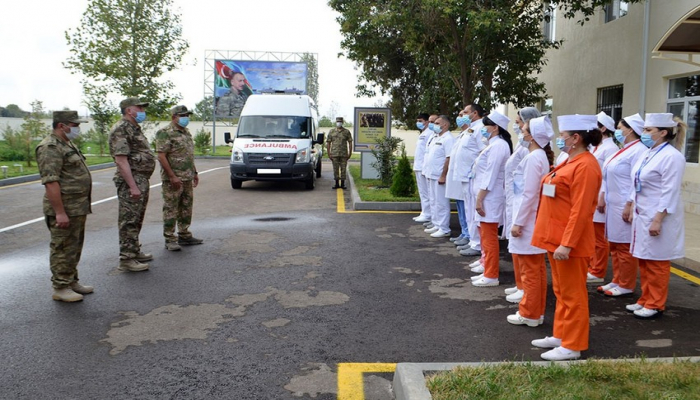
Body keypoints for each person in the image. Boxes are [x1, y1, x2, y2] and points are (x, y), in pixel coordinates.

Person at [531, 114, 602, 361]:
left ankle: (573, 344)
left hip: (569, 242)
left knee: (573, 295)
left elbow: (582, 210)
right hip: (556, 237)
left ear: (575, 138)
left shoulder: (586, 165)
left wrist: (567, 243)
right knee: (561, 292)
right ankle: (561, 335)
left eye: (563, 136)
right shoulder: (570, 160)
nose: (559, 140)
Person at [623, 113, 687, 319]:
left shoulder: (672, 157)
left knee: (657, 261)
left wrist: (658, 219)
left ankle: (656, 303)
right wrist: (631, 205)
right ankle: (645, 298)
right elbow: (637, 181)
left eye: (648, 130)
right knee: (644, 258)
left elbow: (670, 191)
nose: (644, 134)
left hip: (659, 215)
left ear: (663, 133)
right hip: (643, 213)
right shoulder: (649, 152)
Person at [36, 111, 93, 302]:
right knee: (61, 247)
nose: (77, 128)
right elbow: (51, 182)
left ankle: (71, 281)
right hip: (65, 208)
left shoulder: (66, 143)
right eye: (74, 125)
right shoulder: (50, 147)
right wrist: (60, 212)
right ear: (62, 125)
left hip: (77, 207)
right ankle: (60, 287)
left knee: (73, 247)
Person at [506, 116, 554, 326]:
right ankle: (535, 311)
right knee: (535, 270)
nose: (521, 133)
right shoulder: (536, 155)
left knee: (530, 271)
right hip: (528, 217)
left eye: (524, 130)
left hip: (527, 220)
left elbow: (529, 194)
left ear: (532, 136)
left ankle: (529, 313)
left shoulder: (535, 157)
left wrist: (518, 222)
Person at [597, 114, 646, 297]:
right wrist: (602, 195)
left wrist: (630, 204)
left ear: (630, 129)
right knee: (615, 245)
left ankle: (626, 283)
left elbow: (636, 180)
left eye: (620, 127)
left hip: (624, 203)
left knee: (624, 246)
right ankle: (617, 279)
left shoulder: (639, 150)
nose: (617, 131)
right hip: (612, 202)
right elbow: (607, 175)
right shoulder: (623, 149)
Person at [109, 97, 156, 272]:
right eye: (140, 108)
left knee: (137, 218)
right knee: (128, 220)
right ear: (129, 110)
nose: (143, 111)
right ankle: (126, 259)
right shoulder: (121, 129)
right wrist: (132, 186)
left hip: (140, 179)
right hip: (132, 180)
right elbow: (121, 160)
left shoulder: (134, 128)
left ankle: (134, 251)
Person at [503, 107, 541, 302]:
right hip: (515, 199)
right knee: (516, 248)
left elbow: (530, 191)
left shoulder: (534, 152)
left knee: (525, 252)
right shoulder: (523, 144)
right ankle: (520, 284)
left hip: (523, 204)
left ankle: (525, 289)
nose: (517, 127)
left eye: (519, 123)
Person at [470, 110, 513, 287]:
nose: (483, 129)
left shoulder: (499, 146)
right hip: (485, 195)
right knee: (484, 235)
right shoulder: (492, 144)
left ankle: (491, 275)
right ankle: (487, 267)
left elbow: (491, 175)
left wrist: (480, 198)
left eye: (486, 126)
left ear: (495, 128)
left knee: (489, 238)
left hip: (489, 197)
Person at [155, 105, 203, 251]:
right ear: (173, 117)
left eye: (187, 115)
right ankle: (170, 238)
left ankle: (184, 234)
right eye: (182, 115)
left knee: (186, 207)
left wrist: (194, 172)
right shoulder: (165, 133)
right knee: (171, 208)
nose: (186, 118)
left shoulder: (186, 133)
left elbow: (188, 155)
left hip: (187, 177)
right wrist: (172, 176)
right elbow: (161, 155)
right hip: (173, 179)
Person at [586, 111, 621, 284]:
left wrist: (602, 196)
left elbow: (607, 177)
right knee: (592, 236)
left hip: (601, 196)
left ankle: (598, 270)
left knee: (600, 238)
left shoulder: (611, 148)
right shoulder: (595, 147)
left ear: (603, 128)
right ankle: (592, 265)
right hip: (591, 195)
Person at [459, 104, 487, 260]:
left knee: (473, 211)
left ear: (475, 113)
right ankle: (472, 240)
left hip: (473, 176)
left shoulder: (480, 128)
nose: (463, 115)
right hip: (466, 175)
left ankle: (476, 243)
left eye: (466, 112)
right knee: (469, 211)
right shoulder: (470, 129)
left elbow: (482, 151)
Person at [423, 115, 455, 238]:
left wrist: (443, 175)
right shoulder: (436, 137)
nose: (434, 125)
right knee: (434, 200)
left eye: (437, 123)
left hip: (439, 175)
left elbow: (448, 158)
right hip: (431, 174)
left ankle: (444, 227)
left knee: (441, 202)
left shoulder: (448, 139)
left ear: (445, 125)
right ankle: (436, 223)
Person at [444, 110, 472, 245]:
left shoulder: (473, 132)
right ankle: (464, 232)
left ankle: (468, 234)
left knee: (466, 208)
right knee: (460, 206)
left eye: (463, 115)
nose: (459, 117)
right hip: (457, 176)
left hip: (466, 177)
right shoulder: (463, 134)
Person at [412, 113, 433, 223]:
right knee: (422, 192)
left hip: (423, 167)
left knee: (426, 192)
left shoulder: (429, 134)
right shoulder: (423, 133)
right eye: (418, 120)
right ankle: (424, 212)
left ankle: (427, 213)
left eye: (420, 120)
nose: (418, 123)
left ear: (427, 121)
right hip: (418, 166)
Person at [326, 117, 353, 189]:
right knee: (335, 169)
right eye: (338, 121)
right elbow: (328, 143)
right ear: (336, 122)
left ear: (342, 122)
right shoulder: (332, 131)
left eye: (340, 121)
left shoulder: (346, 132)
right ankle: (337, 183)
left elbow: (350, 142)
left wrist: (350, 153)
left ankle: (343, 184)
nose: (339, 123)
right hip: (334, 154)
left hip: (344, 154)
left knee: (343, 169)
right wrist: (329, 153)